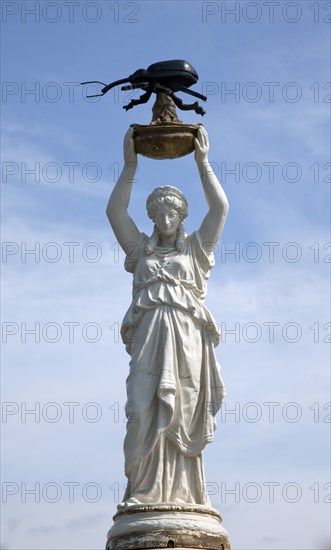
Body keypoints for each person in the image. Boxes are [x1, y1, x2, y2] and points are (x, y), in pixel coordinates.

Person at [106, 126, 229, 506]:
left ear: (181, 215)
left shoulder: (196, 250)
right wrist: (130, 166)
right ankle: (142, 492)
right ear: (153, 216)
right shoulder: (140, 250)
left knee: (182, 413)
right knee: (140, 410)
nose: (166, 218)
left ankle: (186, 496)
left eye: (172, 211)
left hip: (186, 338)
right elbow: (114, 211)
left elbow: (220, 209)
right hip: (148, 338)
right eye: (159, 212)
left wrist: (202, 163)